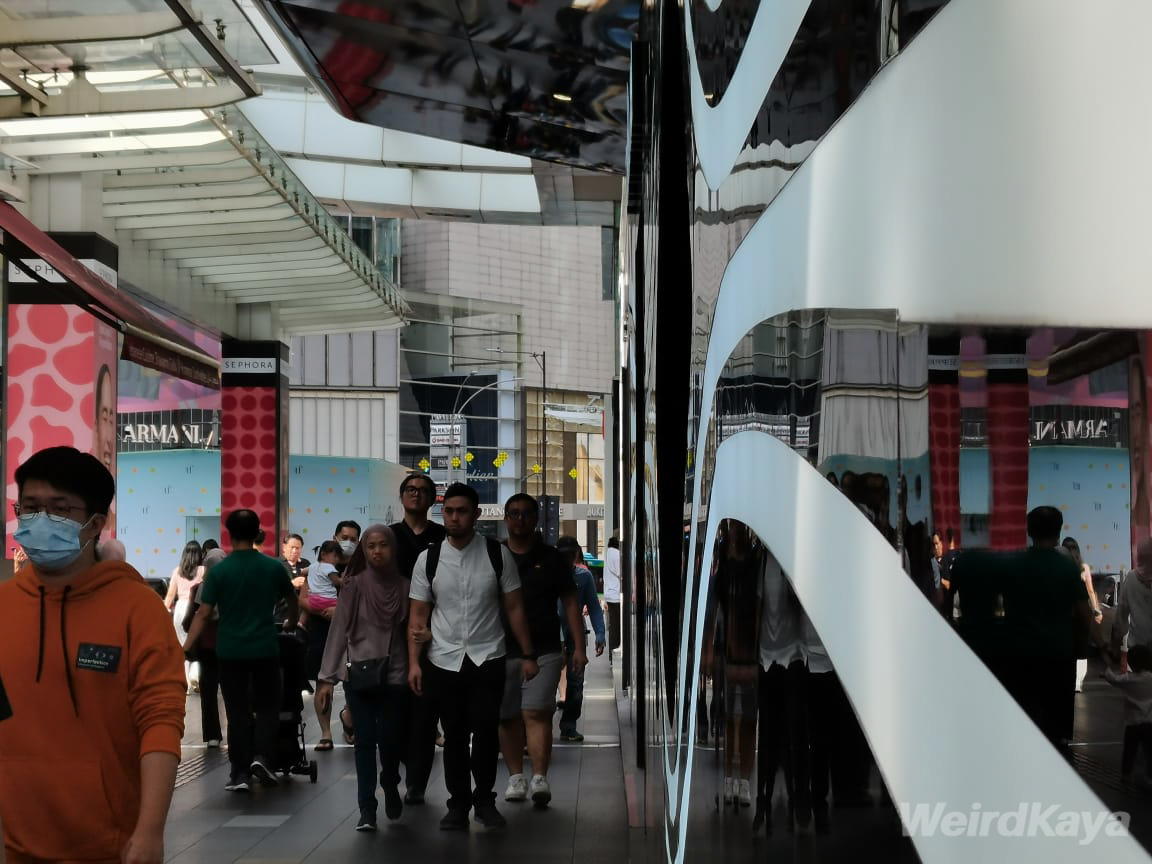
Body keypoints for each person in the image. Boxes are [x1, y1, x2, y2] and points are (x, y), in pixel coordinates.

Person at [0, 446, 185, 863]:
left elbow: (160, 721)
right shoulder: (4, 606)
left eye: (59, 509)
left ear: (94, 524)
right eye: (30, 507)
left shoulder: (137, 610)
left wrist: (150, 830)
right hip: (14, 845)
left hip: (111, 846)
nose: (40, 520)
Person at [408, 482, 538, 831]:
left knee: (485, 732)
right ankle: (457, 804)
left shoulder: (497, 554)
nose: (454, 517)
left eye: (461, 511)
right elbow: (418, 615)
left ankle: (484, 800)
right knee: (453, 734)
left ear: (476, 515)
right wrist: (413, 664)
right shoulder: (429, 559)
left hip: (488, 656)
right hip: (443, 659)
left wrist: (528, 654)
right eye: (448, 511)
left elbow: (514, 608)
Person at [184, 509, 298, 792]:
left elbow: (203, 614)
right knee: (268, 707)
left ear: (229, 534)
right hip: (265, 648)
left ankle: (240, 773)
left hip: (230, 650)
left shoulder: (220, 571)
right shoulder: (273, 567)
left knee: (237, 712)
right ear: (258, 531)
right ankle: (263, 758)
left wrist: (186, 647)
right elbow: (292, 600)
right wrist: (291, 622)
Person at [316, 526, 411, 832]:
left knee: (393, 740)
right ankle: (367, 808)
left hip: (396, 673)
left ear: (393, 549)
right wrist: (326, 679)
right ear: (363, 550)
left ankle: (391, 781)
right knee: (365, 742)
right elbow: (339, 630)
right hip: (361, 674)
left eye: (383, 545)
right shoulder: (353, 586)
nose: (377, 552)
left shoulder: (406, 586)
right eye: (370, 546)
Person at [498, 495, 585, 808]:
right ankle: (515, 776)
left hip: (545, 647)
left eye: (526, 514)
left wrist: (579, 647)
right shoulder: (496, 555)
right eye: (514, 514)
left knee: (536, 712)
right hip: (499, 649)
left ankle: (539, 777)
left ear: (536, 519)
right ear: (506, 518)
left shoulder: (551, 558)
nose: (519, 520)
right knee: (507, 716)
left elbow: (572, 603)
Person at [389, 471, 446, 804]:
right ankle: (398, 769)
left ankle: (417, 783)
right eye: (410, 489)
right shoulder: (387, 536)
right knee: (395, 713)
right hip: (391, 637)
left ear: (431, 499)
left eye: (423, 491)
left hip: (434, 635)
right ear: (401, 496)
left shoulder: (442, 536)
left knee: (425, 714)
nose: (416, 494)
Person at [555, 536, 606, 743]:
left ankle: (568, 726)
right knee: (546, 685)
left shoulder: (584, 577)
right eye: (562, 555)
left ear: (576, 553)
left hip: (575, 638)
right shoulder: (548, 576)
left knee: (576, 685)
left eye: (569, 554)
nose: (566, 559)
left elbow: (594, 606)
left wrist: (600, 634)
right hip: (550, 638)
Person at [300, 539, 344, 750]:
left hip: (349, 635)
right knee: (323, 684)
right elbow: (303, 599)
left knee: (355, 684)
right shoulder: (329, 570)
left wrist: (341, 612)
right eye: (345, 537)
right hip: (320, 634)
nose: (349, 542)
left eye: (354, 538)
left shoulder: (357, 569)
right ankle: (326, 733)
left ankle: (350, 720)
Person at [183, 547, 226, 748]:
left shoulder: (201, 587)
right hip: (230, 646)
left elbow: (193, 618)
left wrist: (187, 645)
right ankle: (238, 729)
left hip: (207, 646)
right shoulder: (234, 585)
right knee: (233, 691)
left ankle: (212, 735)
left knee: (208, 693)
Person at [1104, 643, 1152, 784]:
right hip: (1150, 723)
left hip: (1133, 723)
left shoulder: (1128, 679)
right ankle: (1149, 777)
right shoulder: (1150, 678)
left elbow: (1112, 678)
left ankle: (1126, 774)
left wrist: (1107, 667)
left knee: (1130, 750)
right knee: (1150, 751)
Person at [1062, 537, 1104, 692]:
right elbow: (1091, 591)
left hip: (1065, 613)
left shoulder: (1061, 566)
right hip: (1082, 613)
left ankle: (1066, 679)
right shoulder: (1083, 567)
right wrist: (1096, 610)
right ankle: (1078, 683)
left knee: (1067, 648)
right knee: (1081, 650)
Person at [165, 540, 205, 692]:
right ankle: (196, 673)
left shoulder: (177, 571)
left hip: (180, 608)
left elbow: (169, 596)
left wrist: (163, 612)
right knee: (197, 644)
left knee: (183, 646)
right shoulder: (203, 570)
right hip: (196, 607)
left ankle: (187, 683)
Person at [604, 537, 622, 654]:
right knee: (617, 626)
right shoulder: (616, 554)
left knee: (613, 625)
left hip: (609, 594)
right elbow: (621, 572)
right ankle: (614, 650)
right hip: (616, 594)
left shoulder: (608, 553)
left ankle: (611, 651)